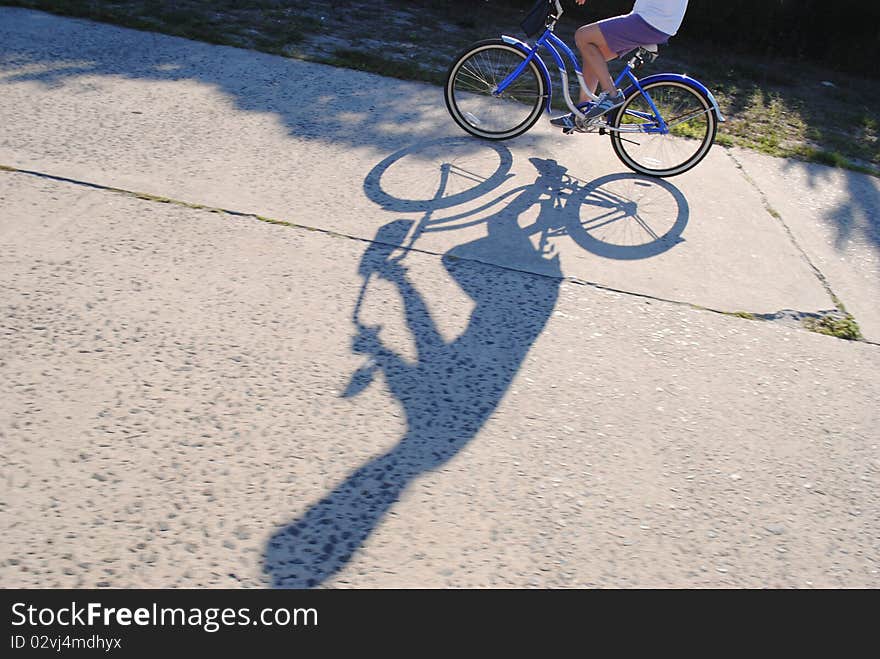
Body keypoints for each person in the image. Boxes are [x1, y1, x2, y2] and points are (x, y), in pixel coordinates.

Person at [551, 0, 689, 131]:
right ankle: (581, 114)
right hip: (652, 20)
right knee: (593, 54)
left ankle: (611, 94)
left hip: (652, 21)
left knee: (583, 36)